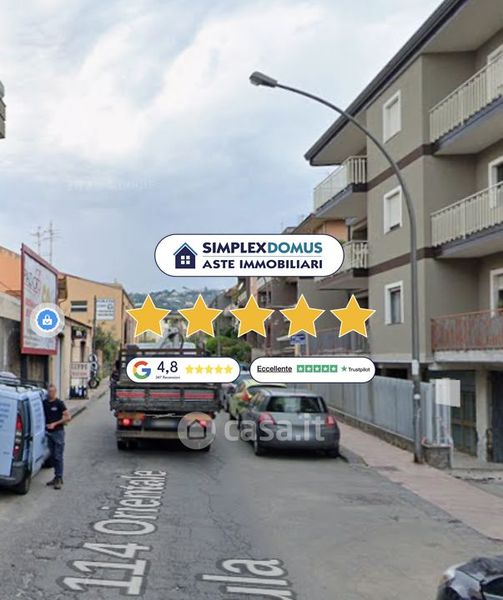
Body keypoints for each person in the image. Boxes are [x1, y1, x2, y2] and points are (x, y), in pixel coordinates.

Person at [43, 384, 71, 490]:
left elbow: (68, 417)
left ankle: (59, 478)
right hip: (48, 433)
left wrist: (55, 424)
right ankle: (56, 477)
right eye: (49, 391)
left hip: (58, 433)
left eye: (52, 392)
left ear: (55, 392)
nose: (50, 393)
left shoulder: (59, 403)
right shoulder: (44, 403)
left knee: (58, 456)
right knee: (52, 456)